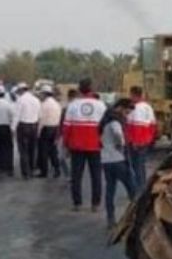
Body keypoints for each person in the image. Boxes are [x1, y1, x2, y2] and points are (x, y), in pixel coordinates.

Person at [62, 79, 106, 211]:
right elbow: (106, 127)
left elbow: (67, 127)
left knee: (76, 176)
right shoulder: (101, 105)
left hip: (77, 145)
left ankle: (77, 203)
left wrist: (65, 144)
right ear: (92, 89)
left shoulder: (73, 105)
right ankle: (95, 204)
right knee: (96, 175)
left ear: (79, 89)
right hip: (95, 145)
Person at [100, 98, 138, 228]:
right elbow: (117, 134)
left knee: (110, 189)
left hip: (106, 160)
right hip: (118, 160)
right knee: (132, 188)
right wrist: (120, 144)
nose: (126, 115)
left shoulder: (105, 118)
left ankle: (110, 219)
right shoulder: (115, 120)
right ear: (121, 108)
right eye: (126, 112)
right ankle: (135, 217)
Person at [124, 85, 157, 188]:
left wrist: (135, 142)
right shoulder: (148, 107)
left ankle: (139, 188)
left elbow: (137, 126)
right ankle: (142, 186)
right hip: (145, 141)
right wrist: (150, 138)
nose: (130, 97)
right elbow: (153, 125)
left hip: (136, 142)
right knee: (141, 165)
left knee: (136, 166)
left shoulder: (136, 108)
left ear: (134, 95)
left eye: (130, 95)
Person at [14, 83, 40, 179]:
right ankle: (32, 170)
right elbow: (39, 115)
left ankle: (25, 173)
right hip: (34, 126)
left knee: (23, 150)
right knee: (32, 149)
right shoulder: (36, 100)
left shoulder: (20, 100)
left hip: (23, 126)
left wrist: (13, 128)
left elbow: (17, 115)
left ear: (21, 90)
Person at [36, 86, 62, 178]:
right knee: (53, 151)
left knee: (43, 151)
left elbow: (41, 119)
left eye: (41, 94)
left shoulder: (44, 105)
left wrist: (38, 132)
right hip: (55, 128)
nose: (40, 96)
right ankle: (57, 169)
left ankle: (44, 172)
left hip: (46, 129)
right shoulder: (57, 104)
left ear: (45, 94)